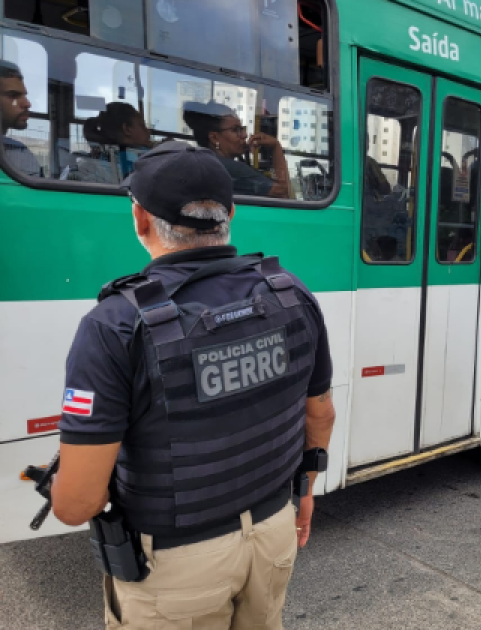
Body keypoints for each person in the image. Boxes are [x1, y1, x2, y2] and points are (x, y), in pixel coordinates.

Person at [50, 142, 336, 629]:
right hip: (273, 536)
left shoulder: (115, 324)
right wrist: (305, 489)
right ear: (231, 214)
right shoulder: (291, 294)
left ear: (140, 219)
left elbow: (76, 505)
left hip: (176, 567)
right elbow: (320, 414)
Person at [183, 101, 290, 199]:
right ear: (214, 138)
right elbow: (284, 193)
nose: (244, 135)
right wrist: (276, 147)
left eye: (242, 129)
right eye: (235, 130)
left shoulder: (204, 161)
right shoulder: (231, 168)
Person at [64, 103, 156, 183]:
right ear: (127, 129)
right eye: (142, 125)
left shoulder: (81, 166)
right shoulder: (144, 165)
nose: (148, 132)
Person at [0, 60, 42, 177]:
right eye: (13, 96)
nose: (27, 104)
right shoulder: (18, 152)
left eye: (24, 96)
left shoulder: (18, 150)